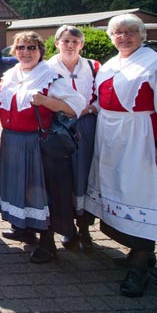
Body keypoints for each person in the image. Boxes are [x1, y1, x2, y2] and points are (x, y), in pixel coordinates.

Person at [85, 14, 157, 297]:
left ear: (142, 35)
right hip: (111, 136)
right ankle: (136, 252)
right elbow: (99, 100)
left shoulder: (156, 64)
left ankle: (140, 266)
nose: (124, 37)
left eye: (130, 32)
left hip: (140, 138)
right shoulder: (110, 65)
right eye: (118, 32)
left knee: (140, 195)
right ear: (111, 37)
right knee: (119, 192)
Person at [0, 31, 86, 264]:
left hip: (36, 143)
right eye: (21, 48)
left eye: (31, 48)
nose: (25, 52)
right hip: (11, 141)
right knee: (19, 187)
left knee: (42, 191)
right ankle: (24, 228)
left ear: (41, 51)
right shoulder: (10, 75)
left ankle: (47, 243)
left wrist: (47, 102)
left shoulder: (50, 76)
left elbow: (76, 105)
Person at [46, 25, 100, 252]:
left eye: (75, 42)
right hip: (60, 128)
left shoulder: (93, 66)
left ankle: (85, 227)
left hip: (87, 125)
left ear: (82, 45)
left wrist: (88, 109)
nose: (70, 45)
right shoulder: (47, 67)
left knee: (85, 175)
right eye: (65, 41)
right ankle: (67, 230)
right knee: (64, 177)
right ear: (57, 43)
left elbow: (103, 95)